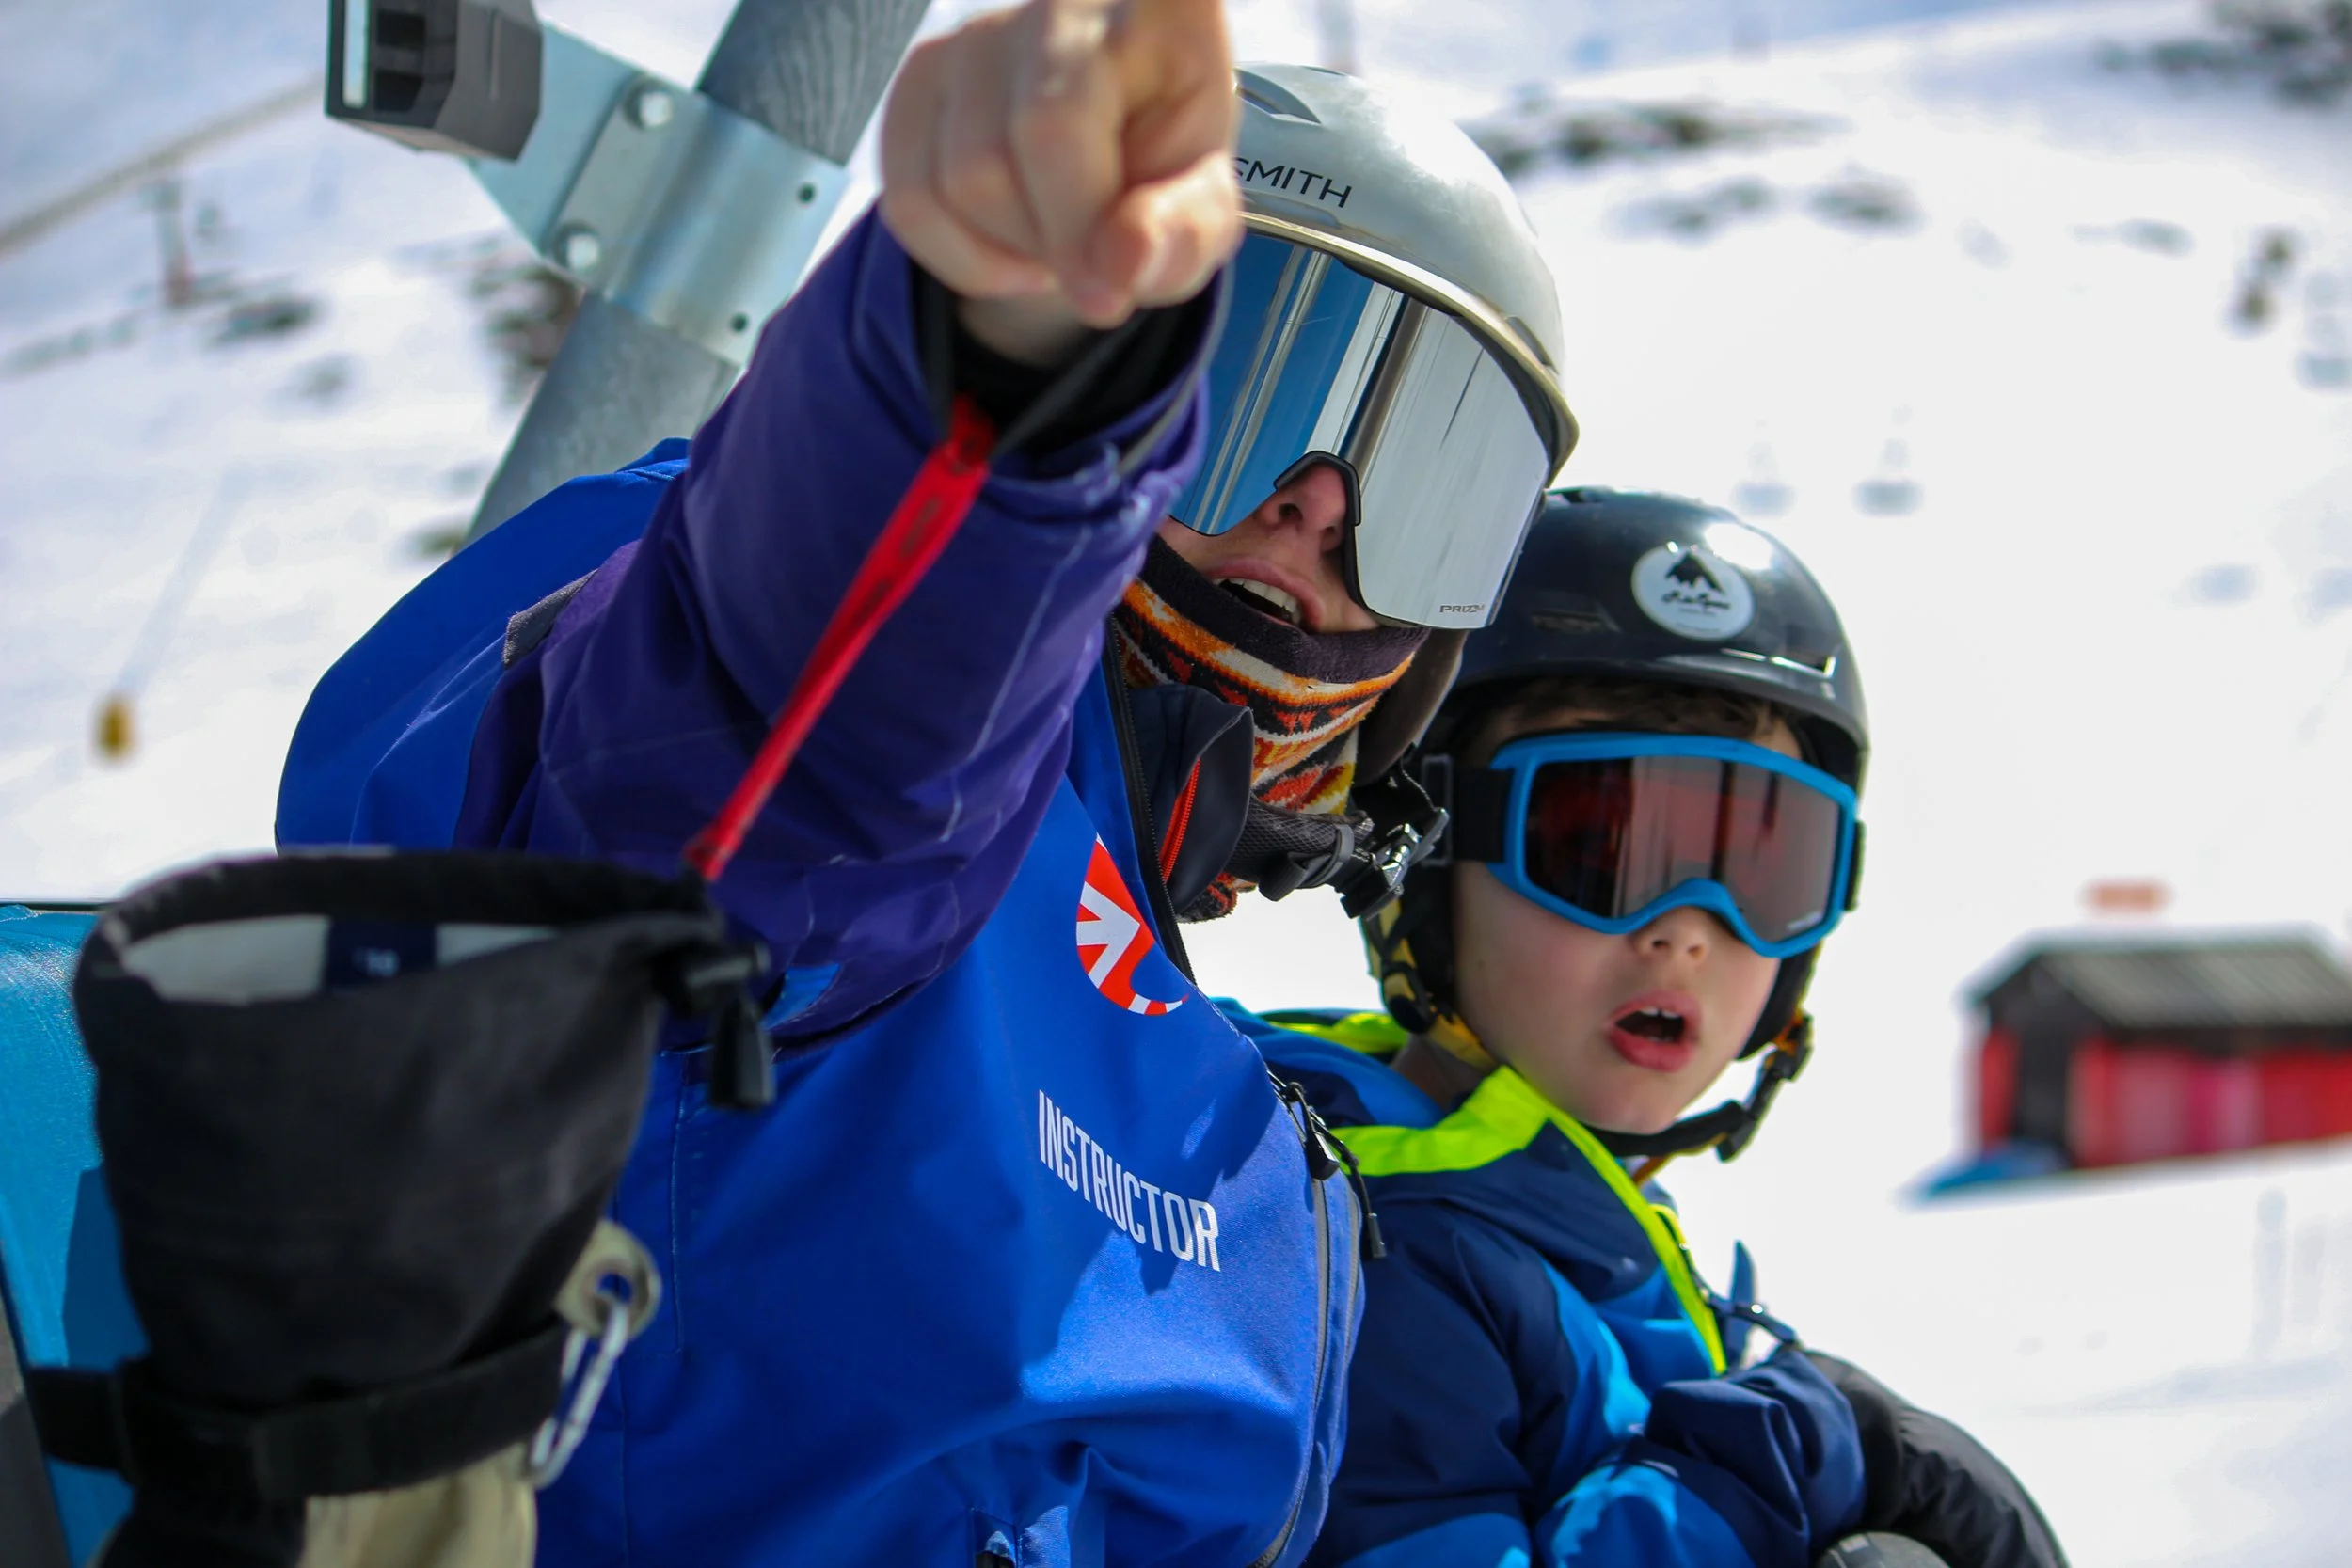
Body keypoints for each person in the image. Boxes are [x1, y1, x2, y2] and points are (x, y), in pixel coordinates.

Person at [270, 0, 1577, 1560]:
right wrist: (994, 379)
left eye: (1424, 482)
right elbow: (809, 704)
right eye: (1259, 390)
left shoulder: (1248, 1143)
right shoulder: (893, 825)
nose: (1313, 510)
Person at [1237, 490, 2071, 1568]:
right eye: (1598, 841)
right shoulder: (1380, 1254)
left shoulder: (1571, 1221)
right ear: (1428, 856)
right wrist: (1789, 1448)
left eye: (1760, 864)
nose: (1684, 931)